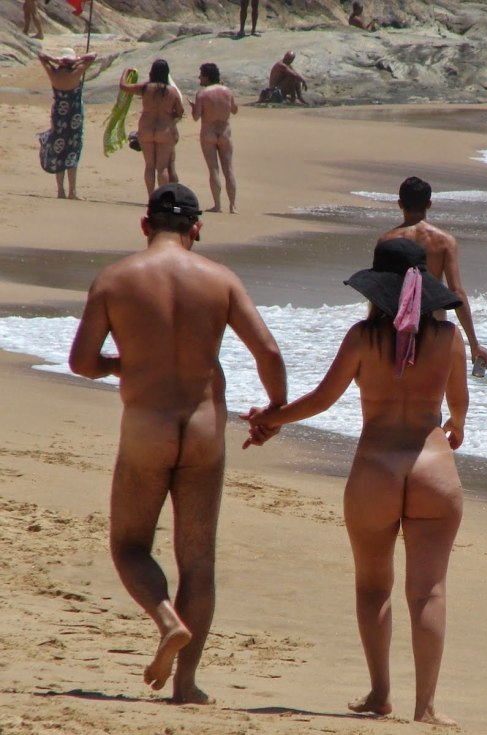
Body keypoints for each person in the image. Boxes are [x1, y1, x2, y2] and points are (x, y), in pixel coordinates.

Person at [67, 183, 287, 704]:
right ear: (197, 229)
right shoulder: (220, 279)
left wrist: (121, 364)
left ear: (145, 225)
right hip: (204, 428)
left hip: (146, 427)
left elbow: (81, 362)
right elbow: (270, 352)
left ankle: (166, 620)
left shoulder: (115, 279)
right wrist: (273, 412)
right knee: (198, 561)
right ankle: (186, 686)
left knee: (129, 547)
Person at [243, 238, 468, 726]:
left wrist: (272, 420)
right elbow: (459, 405)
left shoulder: (363, 337)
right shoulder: (449, 339)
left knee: (374, 587)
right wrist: (456, 426)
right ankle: (426, 707)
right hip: (433, 468)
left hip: (376, 469)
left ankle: (379, 693)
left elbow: (323, 400)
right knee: (428, 591)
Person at [377, 177, 487, 372]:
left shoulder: (386, 241)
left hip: (394, 326)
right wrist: (474, 344)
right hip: (434, 324)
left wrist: (372, 334)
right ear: (429, 204)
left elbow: (379, 292)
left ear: (400, 204)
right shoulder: (445, 242)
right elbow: (456, 292)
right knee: (430, 394)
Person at [38, 48, 97, 199]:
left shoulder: (54, 73)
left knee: (59, 149)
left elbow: (41, 55)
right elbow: (93, 56)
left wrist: (55, 59)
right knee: (72, 150)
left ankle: (60, 191)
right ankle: (72, 191)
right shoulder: (75, 73)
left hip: (59, 114)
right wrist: (77, 59)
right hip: (74, 115)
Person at [119, 59, 184, 198]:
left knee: (149, 166)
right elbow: (180, 112)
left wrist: (125, 71)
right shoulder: (171, 91)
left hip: (146, 128)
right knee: (162, 168)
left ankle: (151, 197)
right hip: (164, 129)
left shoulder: (145, 87)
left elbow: (124, 86)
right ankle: (164, 198)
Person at [190, 63, 238, 214]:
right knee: (228, 169)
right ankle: (233, 206)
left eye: (201, 75)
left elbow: (196, 117)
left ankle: (218, 205)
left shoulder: (202, 94)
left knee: (214, 169)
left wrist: (193, 107)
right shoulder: (227, 91)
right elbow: (235, 110)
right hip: (224, 132)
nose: (199, 77)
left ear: (207, 76)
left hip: (208, 133)